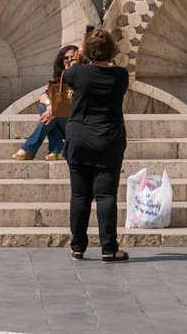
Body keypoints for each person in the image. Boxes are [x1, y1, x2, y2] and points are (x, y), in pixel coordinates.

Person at [63, 26, 130, 259]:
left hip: (79, 139)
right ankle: (109, 249)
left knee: (80, 196)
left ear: (88, 50)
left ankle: (77, 247)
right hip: (108, 141)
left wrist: (81, 52)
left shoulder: (77, 73)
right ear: (112, 50)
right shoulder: (120, 76)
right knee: (106, 196)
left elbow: (68, 74)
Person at [15, 44, 78, 162]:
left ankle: (30, 147)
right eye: (66, 58)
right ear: (62, 60)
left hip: (76, 124)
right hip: (63, 122)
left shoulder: (82, 77)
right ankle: (57, 149)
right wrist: (50, 106)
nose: (69, 60)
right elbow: (44, 96)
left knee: (49, 112)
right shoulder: (61, 79)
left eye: (72, 57)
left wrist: (56, 111)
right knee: (43, 107)